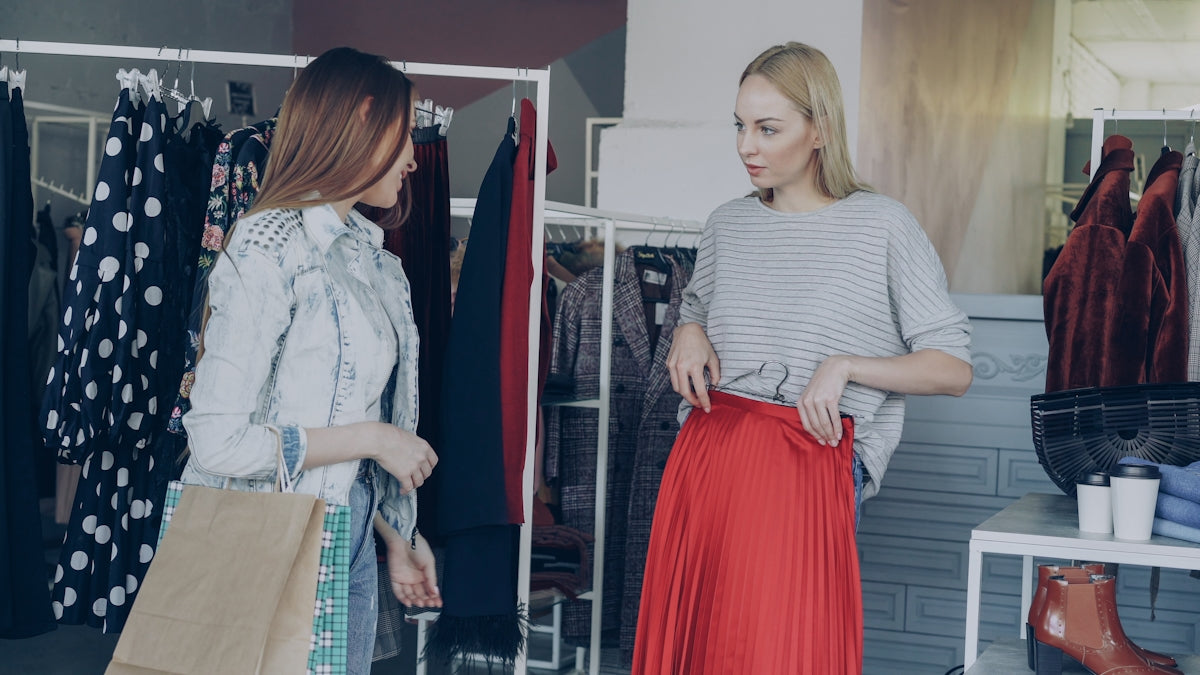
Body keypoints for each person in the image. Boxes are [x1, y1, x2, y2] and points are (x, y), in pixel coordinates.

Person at [632, 42, 973, 674]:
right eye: (740, 125)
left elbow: (952, 368)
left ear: (819, 129)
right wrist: (689, 329)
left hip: (809, 458)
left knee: (781, 653)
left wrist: (848, 365)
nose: (746, 146)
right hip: (710, 449)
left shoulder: (883, 226)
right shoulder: (726, 225)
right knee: (699, 648)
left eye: (768, 128)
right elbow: (700, 308)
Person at [180, 46, 441, 673]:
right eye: (404, 135)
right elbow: (218, 442)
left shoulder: (378, 264)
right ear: (363, 120)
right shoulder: (269, 244)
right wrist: (377, 438)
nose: (412, 157)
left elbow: (344, 440)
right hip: (264, 542)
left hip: (344, 538)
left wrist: (396, 539)